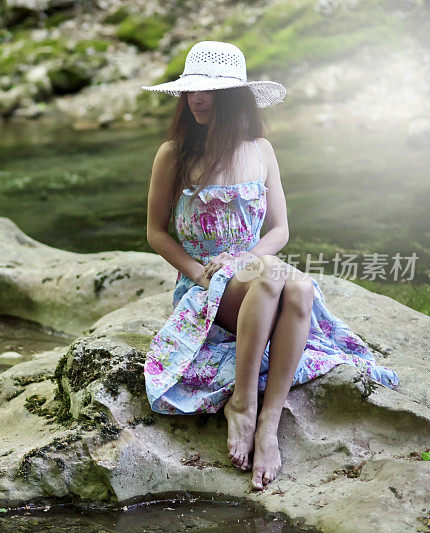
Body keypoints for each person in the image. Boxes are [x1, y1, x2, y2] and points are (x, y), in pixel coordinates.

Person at [140, 41, 400, 490]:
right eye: (191, 91)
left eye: (210, 90)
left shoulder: (261, 150)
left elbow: (280, 230)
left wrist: (247, 258)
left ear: (235, 96)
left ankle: (268, 420)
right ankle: (242, 401)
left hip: (254, 270)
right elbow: (156, 233)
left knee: (296, 287)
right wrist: (200, 271)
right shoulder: (174, 155)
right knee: (280, 279)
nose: (197, 99)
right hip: (206, 285)